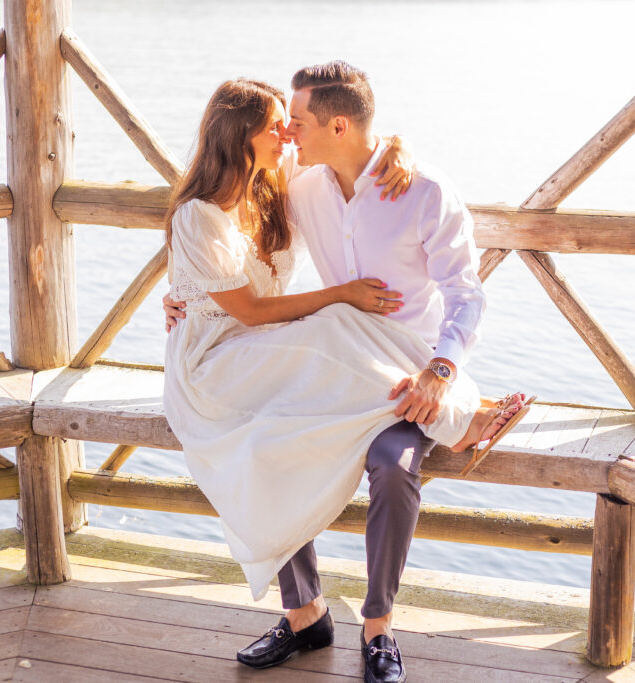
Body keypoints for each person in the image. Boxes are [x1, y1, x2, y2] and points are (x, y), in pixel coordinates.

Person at [163, 69, 529, 683]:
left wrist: (438, 372)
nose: (288, 133)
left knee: (393, 464)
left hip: (415, 369)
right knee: (266, 441)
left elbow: (467, 296)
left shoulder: (420, 189)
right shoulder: (301, 187)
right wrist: (181, 301)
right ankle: (305, 614)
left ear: (336, 126)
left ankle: (379, 628)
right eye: (280, 126)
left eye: (295, 123)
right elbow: (213, 253)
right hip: (301, 363)